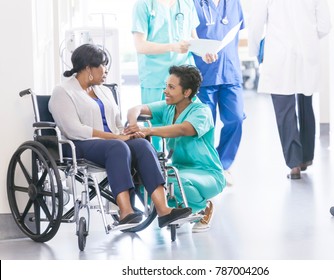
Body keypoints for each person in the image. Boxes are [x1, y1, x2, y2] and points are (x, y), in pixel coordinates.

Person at [48, 44, 192, 228]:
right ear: (87, 68)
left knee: (141, 144)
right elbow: (73, 129)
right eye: (102, 65)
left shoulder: (104, 90)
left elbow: (116, 123)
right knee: (118, 147)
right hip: (80, 144)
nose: (106, 70)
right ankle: (125, 212)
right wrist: (115, 138)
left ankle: (164, 210)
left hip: (112, 143)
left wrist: (129, 133)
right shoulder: (63, 91)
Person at [126, 65, 226, 232]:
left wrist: (149, 130)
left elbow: (183, 129)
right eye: (166, 85)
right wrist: (133, 125)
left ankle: (203, 207)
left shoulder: (202, 111)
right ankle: (179, 210)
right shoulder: (169, 106)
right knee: (147, 183)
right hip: (179, 169)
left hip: (207, 172)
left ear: (187, 92)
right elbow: (135, 109)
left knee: (174, 182)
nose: (165, 91)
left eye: (171, 87)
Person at [248, 0, 331, 179]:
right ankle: (306, 158)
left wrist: (254, 50)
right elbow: (325, 25)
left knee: (284, 110)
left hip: (279, 54)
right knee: (306, 106)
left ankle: (294, 164)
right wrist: (307, 36)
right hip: (307, 54)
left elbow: (256, 23)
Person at [132, 0, 200, 151]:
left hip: (185, 78)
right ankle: (157, 170)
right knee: (156, 129)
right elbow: (140, 45)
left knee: (187, 124)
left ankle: (184, 168)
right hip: (155, 78)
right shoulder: (144, 5)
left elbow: (193, 39)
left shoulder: (186, 3)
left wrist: (204, 50)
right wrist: (172, 47)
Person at [192, 0, 246, 186]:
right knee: (206, 125)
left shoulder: (233, 3)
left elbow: (236, 32)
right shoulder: (194, 4)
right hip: (203, 74)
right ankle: (208, 167)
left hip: (231, 72)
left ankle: (223, 165)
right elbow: (189, 38)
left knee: (237, 118)